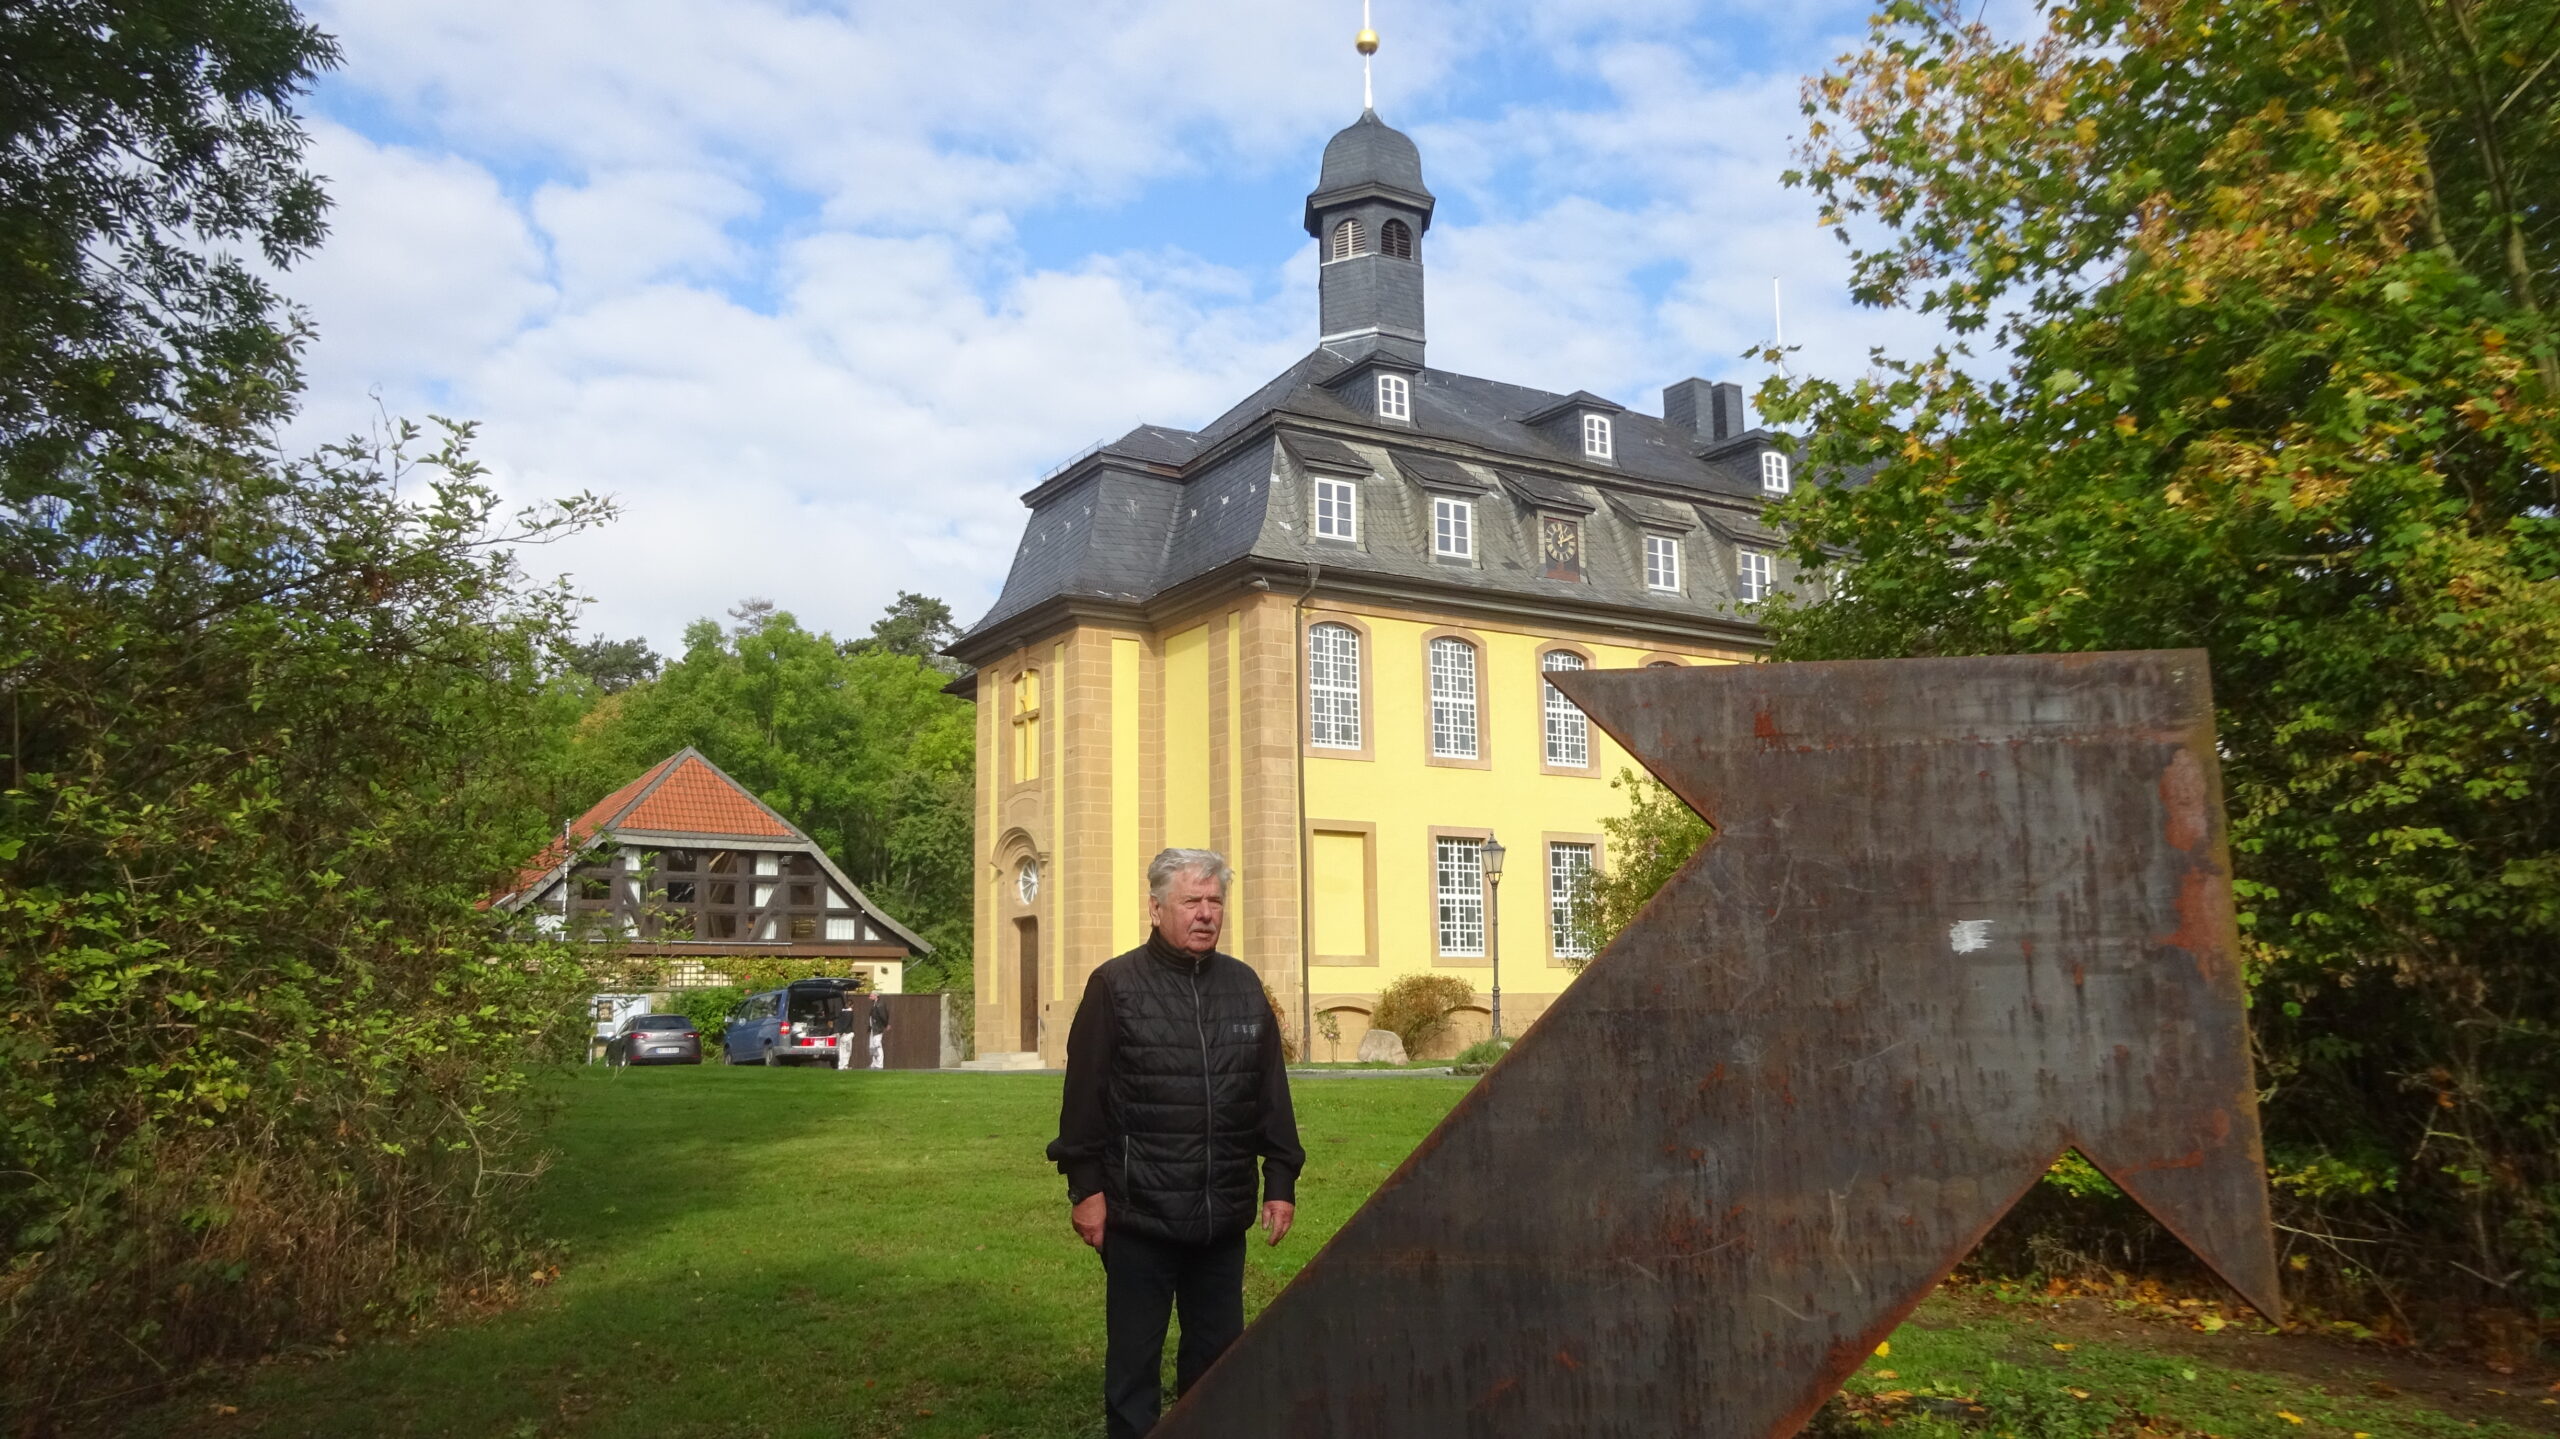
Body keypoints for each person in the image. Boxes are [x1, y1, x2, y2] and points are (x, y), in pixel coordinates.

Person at [1048, 848, 1304, 1438]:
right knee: (1133, 1368)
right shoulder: (1115, 985)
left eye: (1215, 901)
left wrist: (1281, 1180)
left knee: (1217, 1365)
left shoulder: (1243, 986)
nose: (1206, 914)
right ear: (1156, 907)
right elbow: (1084, 1100)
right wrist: (1086, 1190)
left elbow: (1269, 1091)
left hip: (1221, 1217)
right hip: (1141, 1215)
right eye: (1191, 901)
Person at [833, 982, 863, 1071]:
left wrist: (839, 1031)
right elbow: (847, 1023)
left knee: (841, 1050)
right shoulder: (850, 1013)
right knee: (847, 1050)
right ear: (852, 1005)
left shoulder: (841, 1012)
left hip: (841, 1033)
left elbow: (839, 1022)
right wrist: (842, 1032)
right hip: (847, 1033)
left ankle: (840, 1065)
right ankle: (845, 1065)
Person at [867, 989, 891, 1069]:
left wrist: (886, 1025)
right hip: (873, 1028)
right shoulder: (874, 1004)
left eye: (871, 995)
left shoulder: (880, 1004)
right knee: (872, 1046)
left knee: (877, 1045)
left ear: (876, 996)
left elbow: (883, 1016)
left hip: (877, 1028)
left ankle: (879, 1064)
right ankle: (874, 1063)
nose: (870, 996)